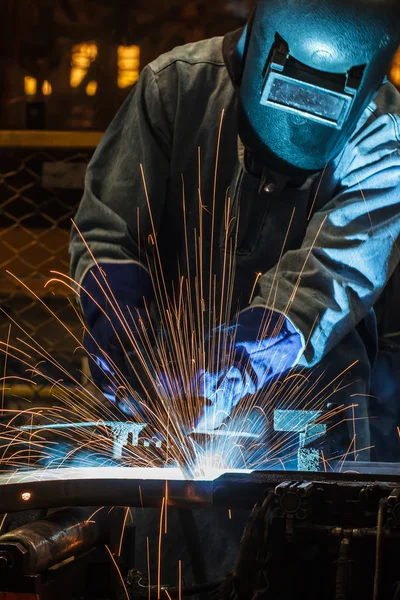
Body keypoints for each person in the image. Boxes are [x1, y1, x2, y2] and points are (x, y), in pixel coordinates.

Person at [69, 0, 400, 590]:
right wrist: (125, 346)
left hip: (310, 424)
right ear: (257, 52)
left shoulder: (383, 134)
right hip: (160, 426)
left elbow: (333, 273)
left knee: (312, 568)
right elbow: (106, 234)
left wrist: (239, 358)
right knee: (162, 567)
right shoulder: (175, 87)